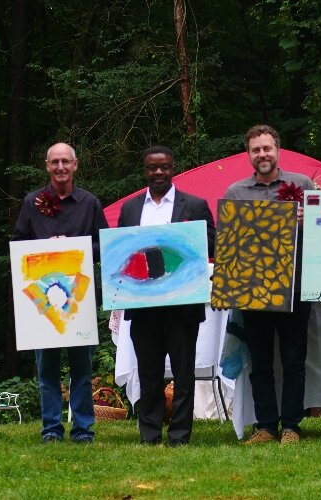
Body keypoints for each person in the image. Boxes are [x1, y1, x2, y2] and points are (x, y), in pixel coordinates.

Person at [117, 146, 215, 446]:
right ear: (144, 170)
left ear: (173, 169)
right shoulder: (131, 209)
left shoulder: (195, 206)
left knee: (183, 375)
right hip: (143, 307)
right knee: (148, 374)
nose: (158, 172)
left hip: (182, 307)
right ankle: (149, 434)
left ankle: (180, 435)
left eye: (164, 167)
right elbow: (120, 254)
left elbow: (212, 246)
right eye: (152, 168)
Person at [223, 125, 314, 445]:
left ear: (278, 150)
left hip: (296, 288)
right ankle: (266, 426)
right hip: (253, 290)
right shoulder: (235, 193)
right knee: (259, 362)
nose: (262, 154)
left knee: (293, 360)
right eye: (256, 150)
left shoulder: (302, 186)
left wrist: (310, 220)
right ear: (248, 155)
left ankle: (292, 426)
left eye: (267, 148)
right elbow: (228, 245)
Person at [12, 142, 109, 444]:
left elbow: (103, 245)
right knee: (47, 370)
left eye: (65, 162)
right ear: (47, 166)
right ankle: (51, 429)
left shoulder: (89, 202)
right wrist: (45, 250)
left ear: (76, 165)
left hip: (79, 299)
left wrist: (73, 248)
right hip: (41, 301)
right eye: (54, 162)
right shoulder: (32, 202)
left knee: (82, 368)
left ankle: (83, 430)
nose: (60, 167)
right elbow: (17, 245)